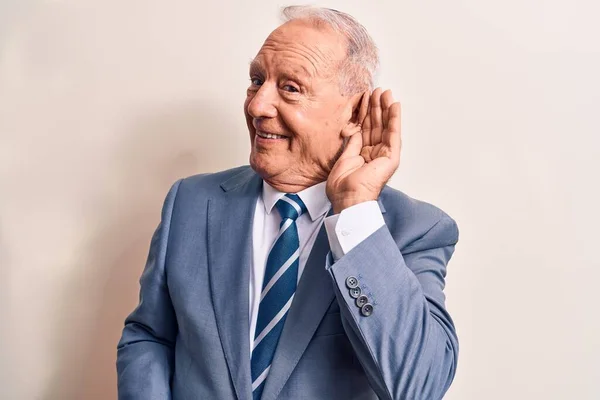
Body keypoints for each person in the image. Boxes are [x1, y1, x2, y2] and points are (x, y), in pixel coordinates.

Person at [116, 5, 460, 400]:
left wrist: (356, 210)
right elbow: (150, 335)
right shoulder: (190, 203)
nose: (257, 106)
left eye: (290, 87)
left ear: (355, 113)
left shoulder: (415, 230)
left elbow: (419, 387)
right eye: (256, 80)